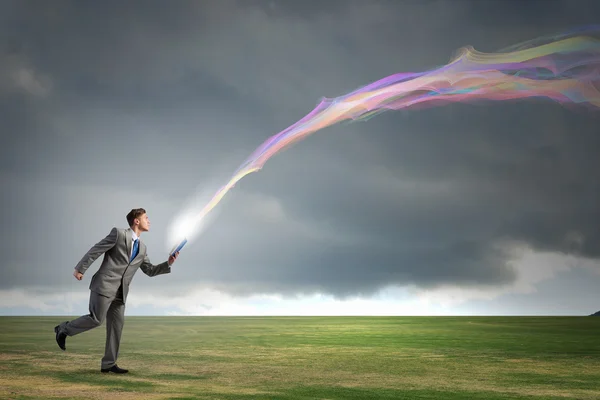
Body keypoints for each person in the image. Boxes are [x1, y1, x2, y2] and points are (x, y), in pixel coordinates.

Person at [54, 208, 179, 373]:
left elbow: (149, 270)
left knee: (116, 327)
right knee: (96, 319)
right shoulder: (119, 234)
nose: (149, 221)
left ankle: (108, 364)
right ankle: (63, 329)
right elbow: (96, 250)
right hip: (104, 285)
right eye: (146, 218)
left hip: (121, 293)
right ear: (136, 220)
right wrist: (80, 269)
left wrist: (168, 263)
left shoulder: (142, 248)